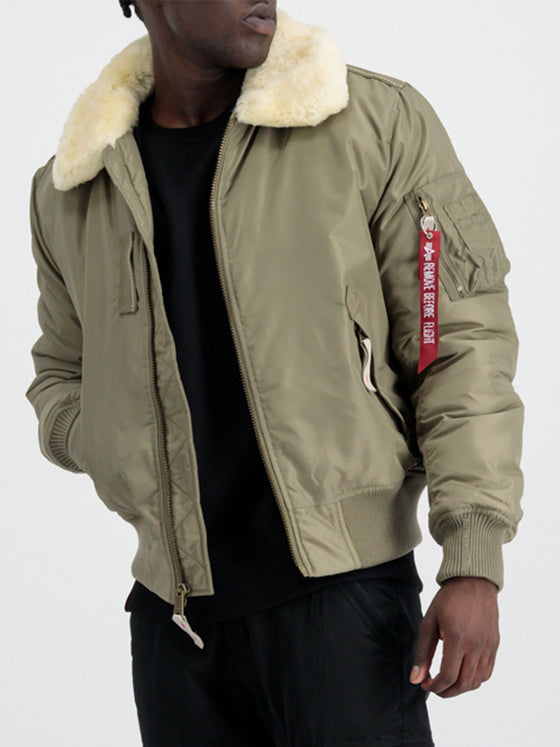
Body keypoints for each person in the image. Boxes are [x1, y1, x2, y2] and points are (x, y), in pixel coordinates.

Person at [24, 1, 524, 745]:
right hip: (174, 624)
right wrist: (105, 437)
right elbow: (61, 372)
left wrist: (472, 559)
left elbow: (454, 340)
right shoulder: (74, 185)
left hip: (345, 604)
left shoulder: (370, 122)